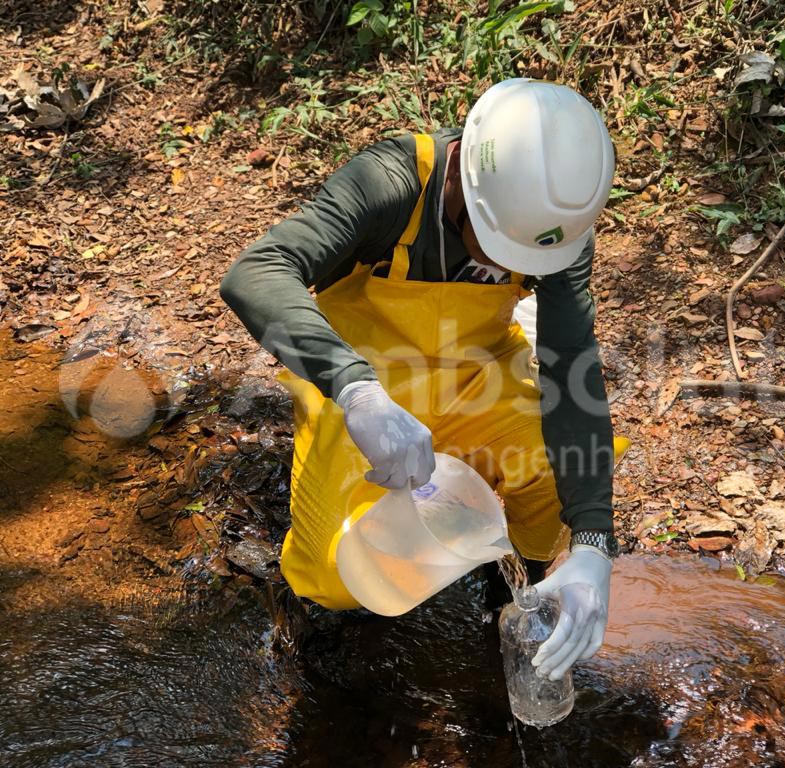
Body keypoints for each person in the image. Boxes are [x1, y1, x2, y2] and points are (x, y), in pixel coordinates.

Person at [220, 79, 622, 682]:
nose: (506, 269)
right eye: (494, 247)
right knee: (334, 572)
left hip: (479, 369)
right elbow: (255, 272)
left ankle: (517, 596)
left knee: (547, 468)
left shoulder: (553, 228)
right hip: (360, 378)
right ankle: (333, 645)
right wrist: (355, 390)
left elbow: (571, 364)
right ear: (462, 179)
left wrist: (593, 543)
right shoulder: (390, 182)